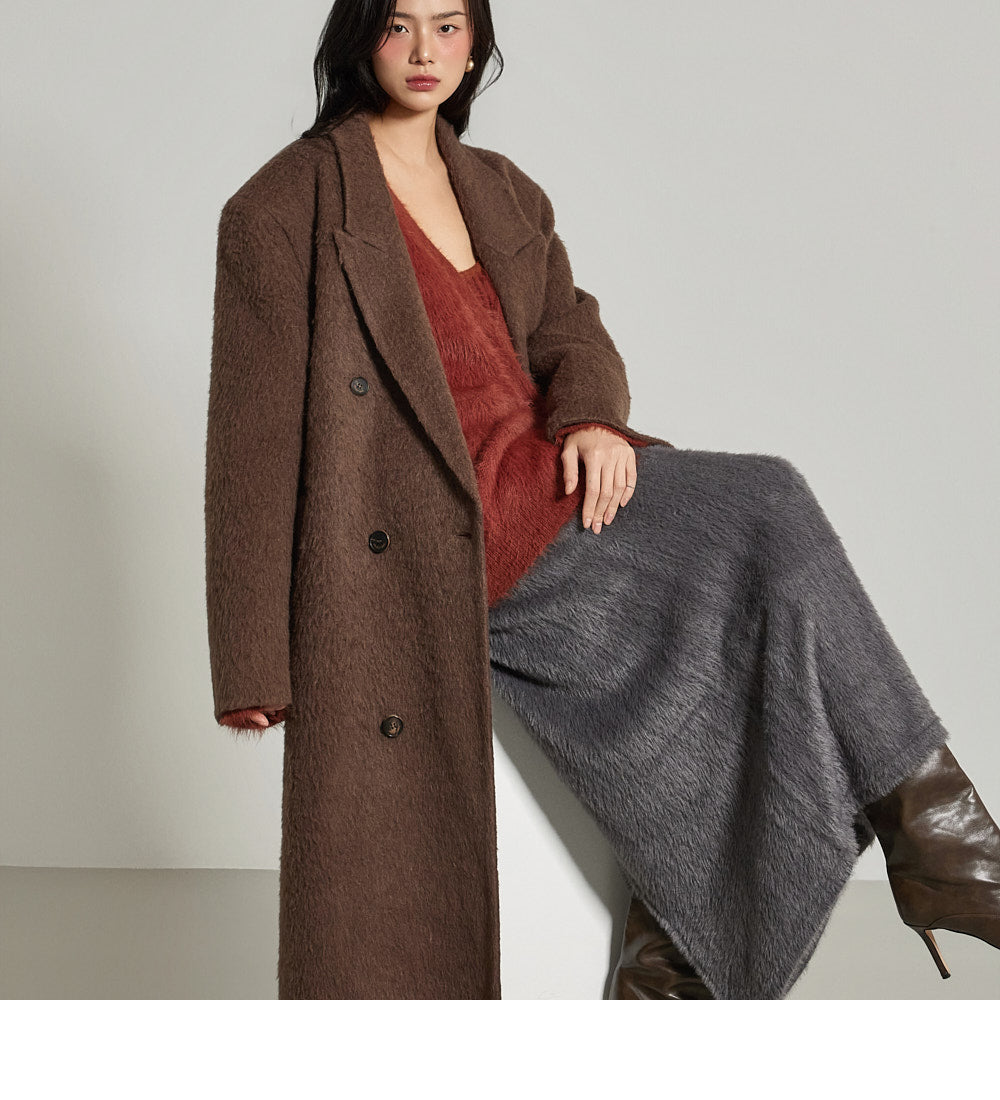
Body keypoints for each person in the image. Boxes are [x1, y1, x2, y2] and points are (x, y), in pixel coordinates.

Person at [205, 0, 1000, 999]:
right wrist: (253, 660)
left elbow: (570, 332)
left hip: (546, 474)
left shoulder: (501, 188)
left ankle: (687, 945)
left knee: (749, 581)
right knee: (765, 504)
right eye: (399, 24)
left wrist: (588, 417)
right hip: (430, 527)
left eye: (448, 27)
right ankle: (945, 849)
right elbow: (251, 436)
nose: (424, 51)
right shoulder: (282, 208)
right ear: (360, 35)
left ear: (475, 47)